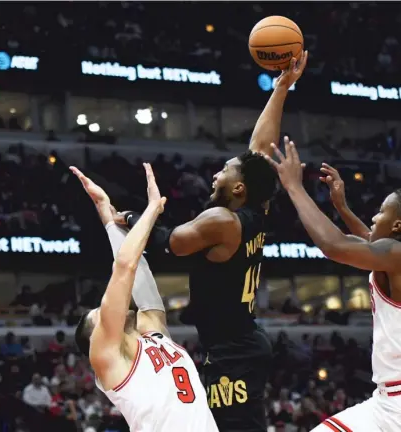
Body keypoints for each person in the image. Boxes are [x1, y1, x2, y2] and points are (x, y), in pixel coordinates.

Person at [116, 53, 307, 431]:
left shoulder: (221, 220)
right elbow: (259, 150)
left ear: (237, 187)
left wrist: (130, 218)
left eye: (224, 170)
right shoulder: (256, 207)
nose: (216, 173)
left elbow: (168, 242)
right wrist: (281, 88)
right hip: (239, 342)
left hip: (233, 349)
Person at [265, 139, 401, 432]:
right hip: (389, 401)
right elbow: (368, 240)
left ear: (397, 227)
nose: (374, 217)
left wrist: (294, 187)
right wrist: (341, 207)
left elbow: (335, 246)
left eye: (381, 212)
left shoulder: (400, 257)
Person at [71, 164, 218, 432]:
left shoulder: (153, 334)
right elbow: (124, 268)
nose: (109, 312)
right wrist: (151, 209)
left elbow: (138, 270)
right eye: (101, 317)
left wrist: (108, 216)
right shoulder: (109, 359)